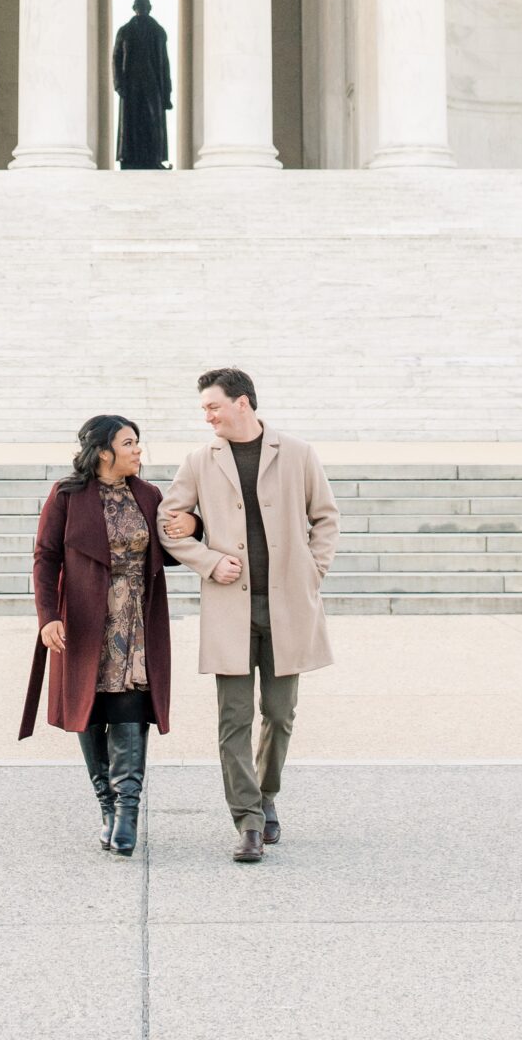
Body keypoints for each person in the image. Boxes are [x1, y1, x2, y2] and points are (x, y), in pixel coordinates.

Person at [160, 368, 339, 864]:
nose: (208, 415)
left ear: (242, 403)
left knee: (280, 715)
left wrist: (313, 571)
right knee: (233, 720)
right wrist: (210, 561)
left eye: (213, 406)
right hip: (230, 609)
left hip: (288, 607)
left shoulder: (298, 453)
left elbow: (325, 517)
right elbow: (169, 525)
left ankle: (267, 794)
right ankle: (248, 822)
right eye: (204, 409)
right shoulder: (199, 460)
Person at [19, 413, 173, 854]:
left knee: (130, 708)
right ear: (104, 451)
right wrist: (48, 616)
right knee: (91, 710)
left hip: (137, 621)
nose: (138, 450)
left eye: (137, 442)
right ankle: (106, 805)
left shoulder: (149, 494)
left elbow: (174, 543)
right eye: (129, 443)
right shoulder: (67, 496)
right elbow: (45, 558)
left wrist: (194, 527)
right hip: (86, 619)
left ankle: (127, 812)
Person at [111, 0, 172, 169]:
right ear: (134, 8)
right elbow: (116, 58)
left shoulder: (158, 32)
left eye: (144, 6)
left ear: (150, 8)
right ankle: (129, 159)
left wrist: (167, 93)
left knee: (153, 120)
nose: (142, 9)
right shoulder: (124, 31)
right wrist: (119, 84)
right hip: (131, 84)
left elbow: (165, 63)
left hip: (153, 82)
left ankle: (154, 158)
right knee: (133, 121)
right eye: (139, 6)